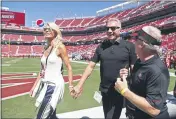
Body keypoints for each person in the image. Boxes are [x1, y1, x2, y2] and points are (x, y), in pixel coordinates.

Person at [73, 18, 137, 119]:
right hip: (105, 90)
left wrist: (128, 72)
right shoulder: (101, 47)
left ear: (120, 29)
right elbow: (90, 66)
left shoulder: (129, 46)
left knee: (126, 115)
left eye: (113, 28)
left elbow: (135, 68)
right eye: (107, 28)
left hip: (122, 89)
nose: (109, 31)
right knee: (108, 116)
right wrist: (80, 85)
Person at [115, 26, 170, 119]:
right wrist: (126, 77)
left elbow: (154, 110)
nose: (133, 41)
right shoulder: (139, 62)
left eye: (136, 38)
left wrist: (124, 91)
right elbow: (139, 85)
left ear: (143, 43)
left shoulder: (157, 70)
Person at [29, 22, 74, 119]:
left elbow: (69, 67)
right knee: (51, 114)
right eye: (45, 29)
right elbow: (42, 71)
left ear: (55, 31)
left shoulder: (60, 47)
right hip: (45, 84)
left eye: (49, 29)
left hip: (54, 86)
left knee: (41, 116)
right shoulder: (45, 48)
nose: (46, 30)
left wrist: (70, 86)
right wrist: (34, 86)